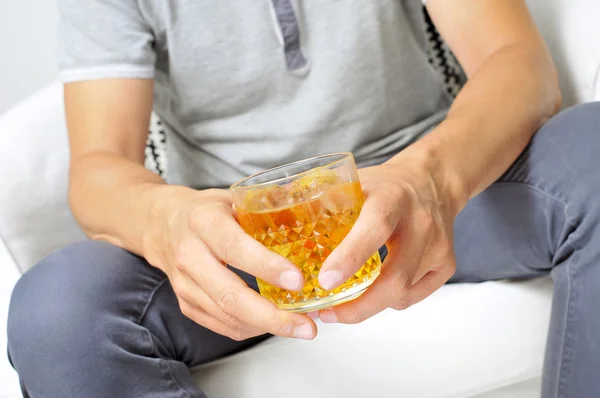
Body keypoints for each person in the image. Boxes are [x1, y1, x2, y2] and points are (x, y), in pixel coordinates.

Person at [6, 0, 600, 396]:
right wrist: (167, 220)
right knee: (56, 312)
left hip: (431, 202)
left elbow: (517, 62)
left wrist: (429, 180)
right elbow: (97, 168)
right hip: (235, 250)